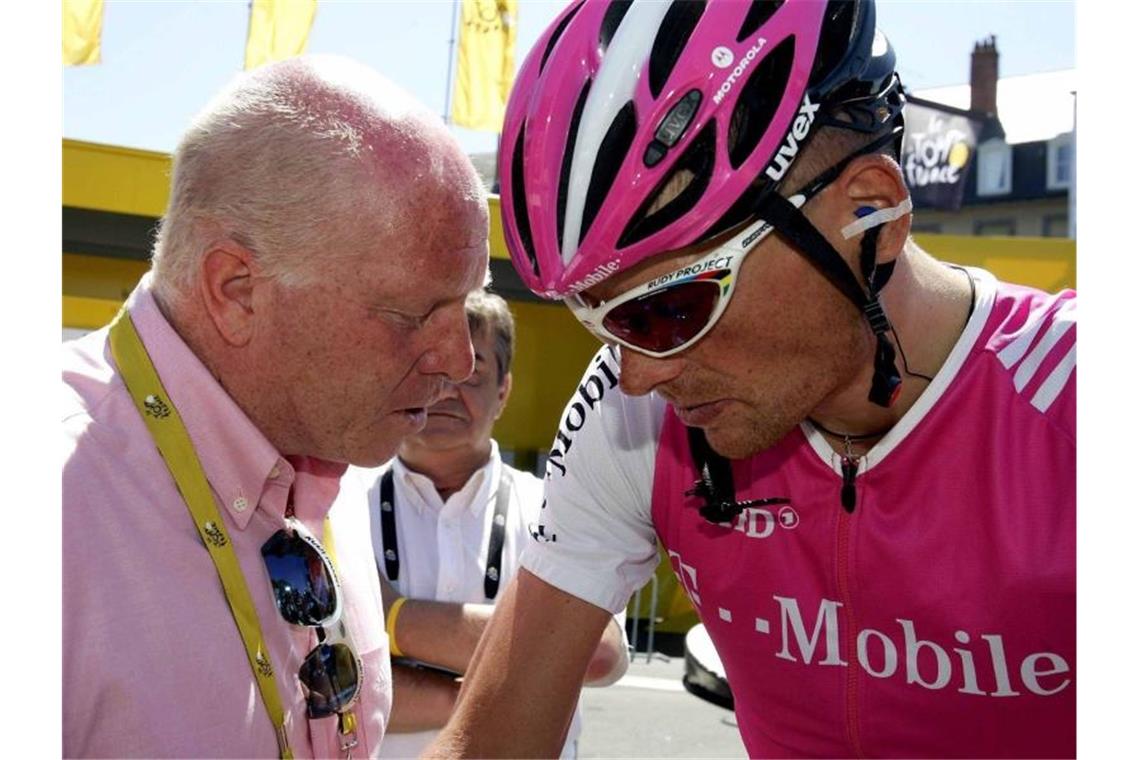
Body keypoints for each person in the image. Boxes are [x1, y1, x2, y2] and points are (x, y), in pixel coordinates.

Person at [430, 1, 1075, 758]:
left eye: (673, 306)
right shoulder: (629, 416)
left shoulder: (1080, 401)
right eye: (599, 319)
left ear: (868, 209)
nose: (635, 374)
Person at [62, 55, 490, 758]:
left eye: (467, 303)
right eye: (416, 312)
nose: (460, 362)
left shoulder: (330, 459)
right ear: (237, 290)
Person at [349, 289, 628, 759]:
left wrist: (392, 617)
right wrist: (514, 689)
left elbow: (597, 654)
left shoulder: (557, 505)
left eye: (470, 373)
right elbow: (322, 682)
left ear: (504, 391)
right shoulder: (339, 502)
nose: (444, 389)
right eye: (426, 367)